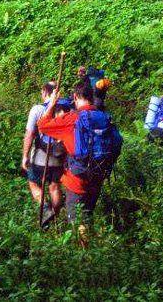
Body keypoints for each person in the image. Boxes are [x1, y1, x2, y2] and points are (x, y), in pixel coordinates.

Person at [37, 82, 122, 240]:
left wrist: (53, 103)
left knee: (77, 222)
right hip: (99, 175)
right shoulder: (104, 117)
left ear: (75, 97)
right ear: (91, 96)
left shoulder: (72, 119)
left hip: (77, 179)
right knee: (87, 216)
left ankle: (84, 257)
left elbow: (42, 126)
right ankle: (91, 248)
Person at [22, 82, 71, 227]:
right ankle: (54, 217)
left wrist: (25, 155)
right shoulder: (66, 109)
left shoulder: (37, 109)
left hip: (40, 157)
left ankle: (46, 208)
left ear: (45, 92)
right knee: (54, 187)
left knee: (33, 183)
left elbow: (30, 134)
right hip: (59, 156)